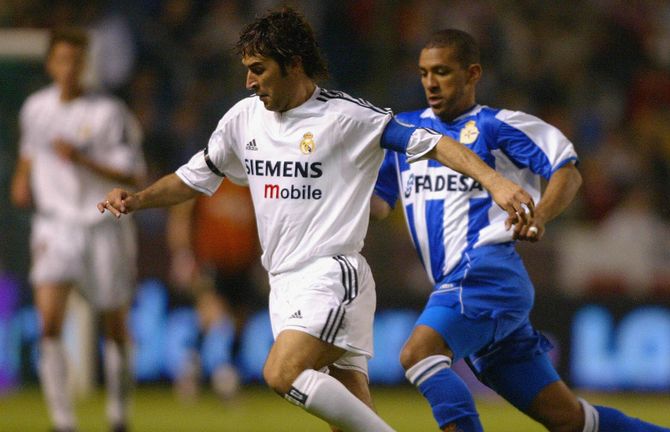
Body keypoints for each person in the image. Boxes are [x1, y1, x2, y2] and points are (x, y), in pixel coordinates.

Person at [98, 8, 531, 432]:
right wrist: (137, 200)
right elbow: (194, 178)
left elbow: (432, 143)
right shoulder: (242, 119)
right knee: (348, 415)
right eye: (247, 70)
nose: (249, 81)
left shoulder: (346, 117)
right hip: (283, 281)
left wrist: (494, 181)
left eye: (259, 69)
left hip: (332, 274)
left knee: (282, 373)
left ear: (294, 64)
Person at [371, 29, 670, 432]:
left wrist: (539, 216)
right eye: (423, 73)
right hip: (463, 286)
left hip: (486, 273)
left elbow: (568, 173)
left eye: (442, 72)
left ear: (472, 74)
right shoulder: (408, 133)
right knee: (568, 419)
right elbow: (379, 202)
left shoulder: (498, 126)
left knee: (419, 354)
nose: (430, 83)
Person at [10, 28, 145, 432]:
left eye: (78, 60)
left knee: (114, 323)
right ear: (51, 63)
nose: (71, 68)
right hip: (54, 226)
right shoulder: (35, 109)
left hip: (102, 225)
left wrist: (82, 159)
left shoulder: (109, 112)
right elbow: (29, 156)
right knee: (49, 322)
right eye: (64, 59)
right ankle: (63, 421)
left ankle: (119, 414)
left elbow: (133, 173)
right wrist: (21, 181)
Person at [166, 178, 263, 400]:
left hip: (242, 262)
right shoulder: (211, 176)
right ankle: (215, 373)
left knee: (239, 321)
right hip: (210, 261)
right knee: (214, 316)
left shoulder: (251, 182)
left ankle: (204, 362)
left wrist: (260, 257)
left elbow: (261, 220)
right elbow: (181, 213)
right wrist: (182, 255)